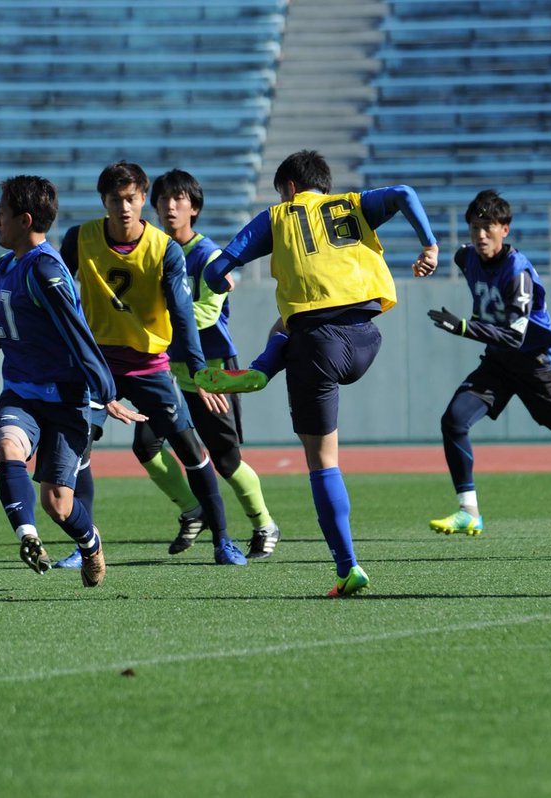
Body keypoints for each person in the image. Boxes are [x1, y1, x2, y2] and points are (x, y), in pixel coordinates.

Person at [195, 149, 440, 597]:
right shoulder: (353, 204)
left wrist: (219, 281)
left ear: (288, 188)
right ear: (323, 184)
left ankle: (347, 569)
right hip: (365, 338)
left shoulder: (278, 216)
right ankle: (263, 368)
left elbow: (217, 268)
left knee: (323, 462)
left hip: (316, 348)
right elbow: (404, 192)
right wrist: (429, 244)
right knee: (289, 323)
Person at [0, 175, 145, 587]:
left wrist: (106, 391)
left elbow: (77, 331)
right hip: (21, 394)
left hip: (67, 401)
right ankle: (28, 536)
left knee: (59, 504)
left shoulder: (44, 270)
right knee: (9, 445)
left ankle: (91, 543)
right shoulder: (5, 267)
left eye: (0, 215)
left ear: (24, 220)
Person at [58, 160, 248, 566]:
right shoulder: (79, 239)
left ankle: (223, 541)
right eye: (115, 200)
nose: (124, 207)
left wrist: (197, 370)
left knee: (190, 448)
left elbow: (183, 315)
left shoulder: (165, 249)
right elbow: (57, 294)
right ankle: (84, 545)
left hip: (149, 364)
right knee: (79, 445)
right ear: (104, 201)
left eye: (131, 199)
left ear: (143, 199)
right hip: (98, 365)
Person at [425, 190, 551, 535]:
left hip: (538, 365)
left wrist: (463, 326)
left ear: (505, 229)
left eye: (488, 227)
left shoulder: (518, 272)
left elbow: (516, 336)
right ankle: (469, 511)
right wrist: (429, 256)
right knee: (454, 420)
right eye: (474, 227)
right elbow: (454, 255)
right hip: (499, 365)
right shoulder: (467, 256)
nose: (480, 235)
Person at [139, 167, 281, 560]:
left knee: (226, 458)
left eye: (178, 200)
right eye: (163, 200)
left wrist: (156, 325)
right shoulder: (154, 252)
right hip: (169, 370)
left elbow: (203, 313)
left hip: (212, 369)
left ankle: (264, 523)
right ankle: (193, 509)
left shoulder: (209, 255)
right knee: (146, 444)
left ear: (194, 208)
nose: (169, 206)